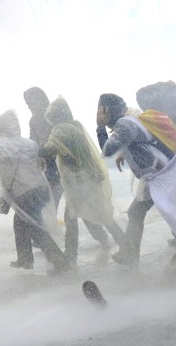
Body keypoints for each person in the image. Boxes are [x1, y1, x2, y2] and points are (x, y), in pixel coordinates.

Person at [96, 93, 176, 269]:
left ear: (106, 110)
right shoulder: (130, 120)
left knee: (172, 216)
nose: (98, 114)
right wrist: (124, 153)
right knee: (143, 213)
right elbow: (139, 143)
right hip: (159, 175)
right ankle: (131, 254)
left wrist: (100, 127)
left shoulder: (124, 124)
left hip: (159, 177)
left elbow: (107, 150)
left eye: (99, 110)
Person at [0, 110, 69, 274]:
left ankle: (60, 261)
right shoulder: (30, 144)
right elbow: (36, 167)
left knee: (33, 227)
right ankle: (25, 259)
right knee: (22, 222)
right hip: (41, 190)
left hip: (25, 193)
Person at [23, 87, 113, 249]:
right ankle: (47, 239)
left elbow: (58, 142)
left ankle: (100, 238)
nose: (29, 106)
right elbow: (34, 140)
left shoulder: (56, 117)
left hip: (68, 167)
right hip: (52, 168)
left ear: (40, 100)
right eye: (27, 104)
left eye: (30, 102)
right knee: (52, 204)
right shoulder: (35, 120)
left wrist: (41, 151)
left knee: (81, 208)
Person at [40, 95, 124, 265]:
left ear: (56, 116)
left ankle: (71, 257)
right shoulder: (75, 125)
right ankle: (113, 241)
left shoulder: (61, 129)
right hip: (89, 178)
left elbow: (50, 149)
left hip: (79, 182)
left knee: (73, 218)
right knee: (96, 214)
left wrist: (34, 152)